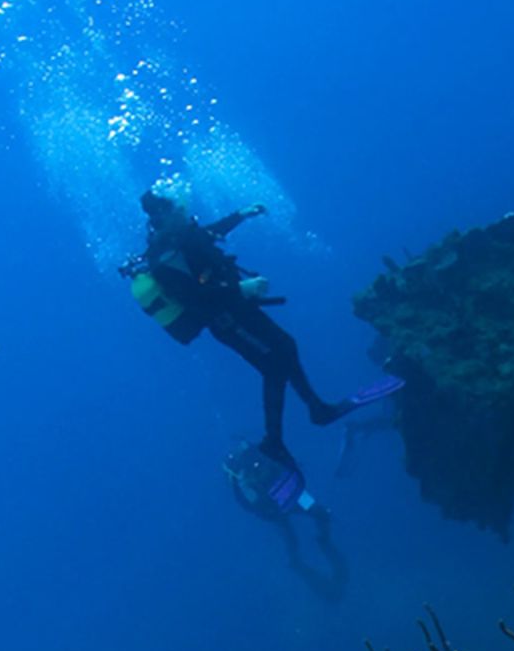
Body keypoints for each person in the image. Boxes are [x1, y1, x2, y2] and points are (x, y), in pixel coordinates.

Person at [120, 190, 402, 469]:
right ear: (162, 216)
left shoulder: (183, 237)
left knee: (285, 350)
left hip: (236, 309)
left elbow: (207, 234)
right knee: (275, 364)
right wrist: (239, 288)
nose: (184, 212)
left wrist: (241, 215)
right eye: (177, 210)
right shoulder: (163, 259)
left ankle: (315, 412)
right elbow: (191, 296)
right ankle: (280, 438)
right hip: (225, 321)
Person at [223, 440, 347, 603]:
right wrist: (266, 512)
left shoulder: (259, 454)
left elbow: (284, 459)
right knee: (292, 536)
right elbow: (247, 503)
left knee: (317, 514)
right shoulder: (243, 474)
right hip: (279, 506)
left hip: (289, 498)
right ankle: (297, 562)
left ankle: (319, 544)